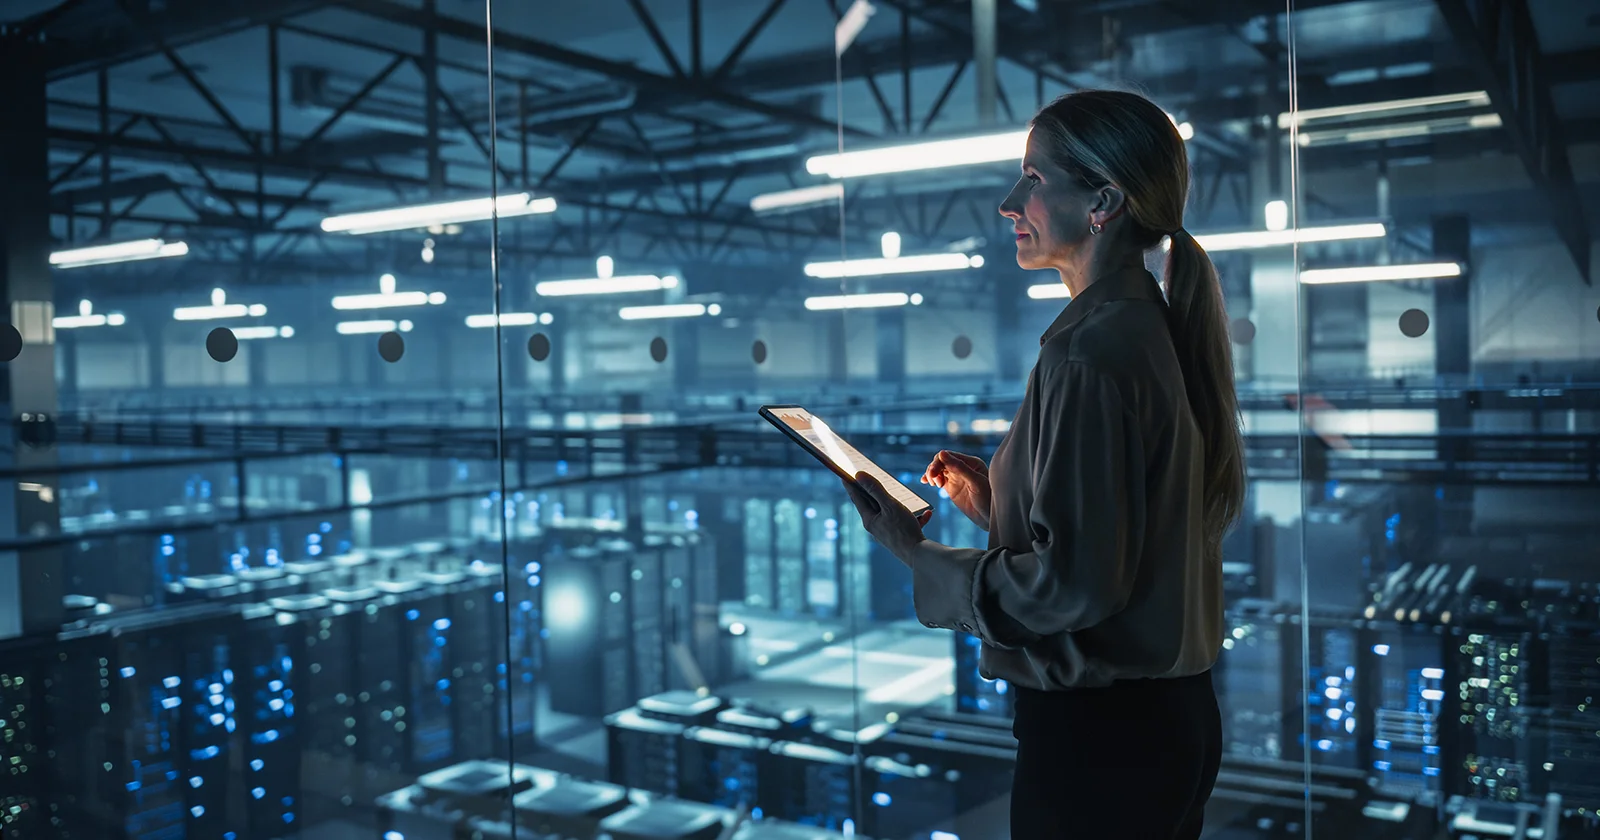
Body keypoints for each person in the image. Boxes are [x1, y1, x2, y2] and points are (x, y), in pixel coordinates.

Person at [841, 89, 1244, 839]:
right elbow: (1122, 536)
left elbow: (1076, 587)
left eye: (1033, 177)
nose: (1008, 202)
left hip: (1101, 744)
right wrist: (999, 503)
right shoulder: (1144, 329)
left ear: (1103, 201)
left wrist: (912, 547)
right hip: (1164, 727)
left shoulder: (1089, 352)